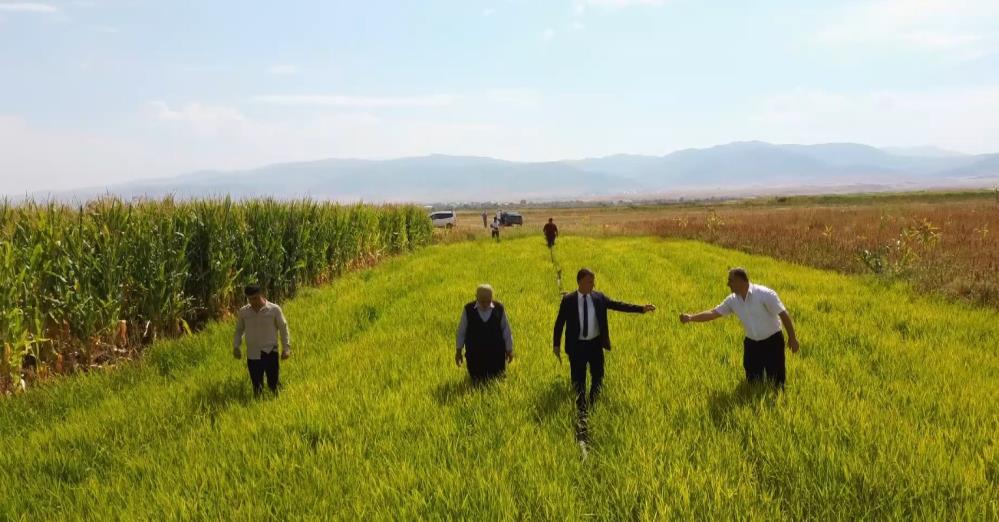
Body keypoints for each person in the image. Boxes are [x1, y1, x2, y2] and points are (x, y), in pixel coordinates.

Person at [553, 268, 656, 410]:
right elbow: (559, 323)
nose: (593, 285)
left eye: (593, 282)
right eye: (590, 282)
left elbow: (618, 305)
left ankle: (594, 403)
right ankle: (581, 409)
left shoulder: (599, 298)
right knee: (578, 380)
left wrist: (641, 309)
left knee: (598, 376)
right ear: (580, 282)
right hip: (576, 346)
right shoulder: (568, 300)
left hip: (595, 345)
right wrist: (556, 345)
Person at [679, 267, 799, 387]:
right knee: (753, 382)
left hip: (773, 342)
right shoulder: (732, 300)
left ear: (741, 281)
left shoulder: (765, 294)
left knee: (776, 382)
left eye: (730, 281)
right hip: (752, 344)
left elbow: (783, 314)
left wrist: (792, 338)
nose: (728, 284)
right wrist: (691, 318)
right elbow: (713, 313)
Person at [233, 284, 292, 396]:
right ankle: (258, 405)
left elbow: (283, 329)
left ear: (261, 294)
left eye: (255, 298)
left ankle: (277, 403)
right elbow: (239, 330)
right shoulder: (244, 312)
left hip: (270, 351)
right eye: (249, 299)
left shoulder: (274, 309)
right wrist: (236, 346)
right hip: (253, 354)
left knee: (273, 384)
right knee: (257, 386)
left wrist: (286, 348)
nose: (252, 301)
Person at [455, 284, 514, 382]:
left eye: (488, 300)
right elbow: (461, 331)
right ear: (476, 297)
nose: (486, 304)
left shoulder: (499, 309)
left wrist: (509, 349)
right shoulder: (468, 310)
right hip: (475, 354)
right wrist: (458, 351)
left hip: (496, 353)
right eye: (482, 301)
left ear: (492, 297)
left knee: (497, 377)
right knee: (476, 378)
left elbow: (506, 330)